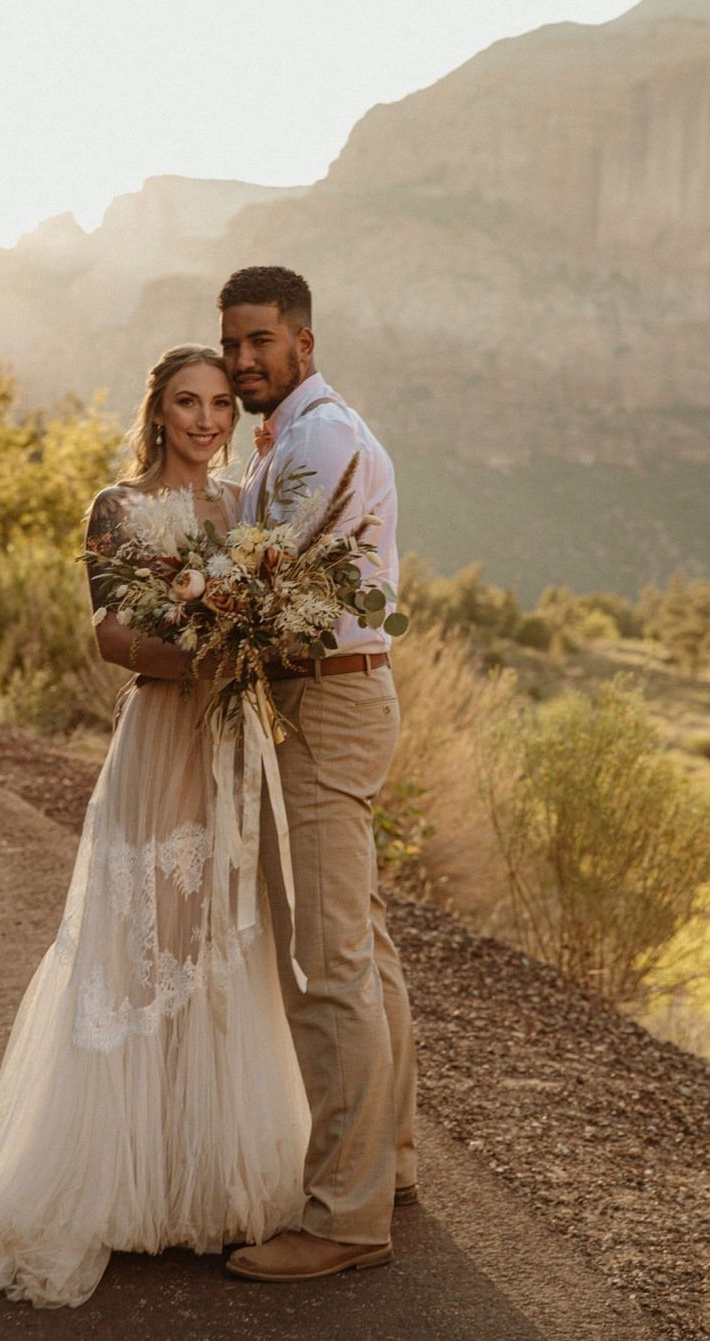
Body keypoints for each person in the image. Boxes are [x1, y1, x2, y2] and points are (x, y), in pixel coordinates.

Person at [0, 346, 309, 1309]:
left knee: (223, 941)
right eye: (187, 402)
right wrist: (204, 658)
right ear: (159, 410)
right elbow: (110, 635)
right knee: (144, 942)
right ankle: (117, 1183)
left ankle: (208, 1182)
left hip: (230, 742)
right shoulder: (117, 505)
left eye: (219, 404)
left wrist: (256, 643)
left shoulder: (243, 509)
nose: (205, 419)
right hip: (163, 732)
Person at [217, 267, 417, 1283]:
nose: (243, 360)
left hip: (329, 702)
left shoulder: (322, 438)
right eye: (232, 344)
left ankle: (345, 1218)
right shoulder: (288, 435)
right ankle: (390, 1165)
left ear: (303, 340)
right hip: (322, 698)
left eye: (261, 341)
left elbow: (264, 573)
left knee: (326, 961)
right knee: (359, 941)